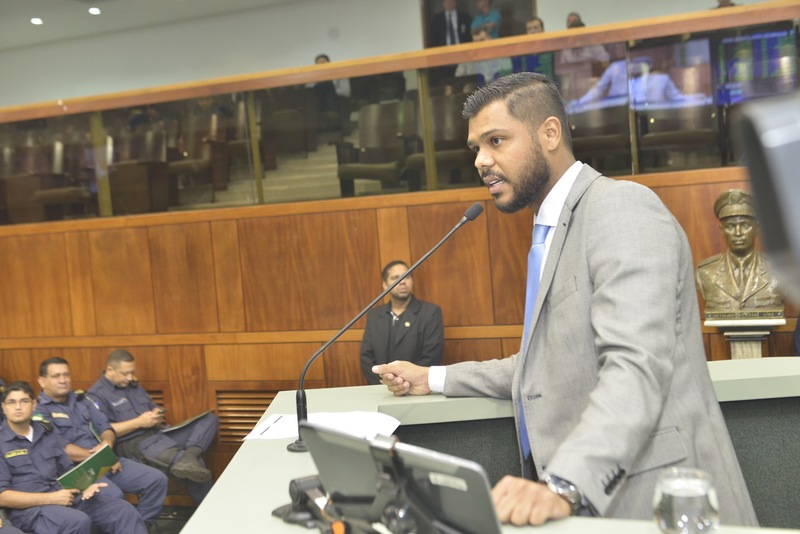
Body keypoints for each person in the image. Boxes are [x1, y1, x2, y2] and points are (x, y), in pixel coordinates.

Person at [372, 72, 757, 527]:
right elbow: (546, 363)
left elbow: (636, 366)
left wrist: (564, 484)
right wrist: (431, 377)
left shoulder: (620, 207)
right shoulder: (549, 233)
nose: (481, 160)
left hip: (658, 503)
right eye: (476, 147)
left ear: (550, 134)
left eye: (496, 141)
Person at [35, 357, 168, 527]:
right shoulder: (39, 412)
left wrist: (107, 445)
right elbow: (60, 448)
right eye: (56, 376)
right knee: (115, 497)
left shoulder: (82, 399)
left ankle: (140, 527)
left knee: (156, 480)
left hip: (106, 459)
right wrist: (103, 458)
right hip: (77, 471)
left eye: (66, 375)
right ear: (42, 381)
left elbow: (105, 427)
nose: (63, 380)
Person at [0, 381, 148, 534]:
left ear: (34, 405)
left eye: (24, 401)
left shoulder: (47, 432)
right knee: (76, 521)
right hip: (30, 510)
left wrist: (85, 485)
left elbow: (67, 470)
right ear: (3, 408)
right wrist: (51, 498)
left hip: (65, 495)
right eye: (12, 402)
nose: (18, 407)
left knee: (123, 510)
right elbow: (2, 497)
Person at [88, 349, 219, 504]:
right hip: (135, 444)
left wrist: (157, 413)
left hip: (159, 433)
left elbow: (153, 407)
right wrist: (139, 422)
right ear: (110, 370)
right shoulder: (96, 395)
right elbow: (102, 431)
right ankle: (210, 512)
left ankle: (190, 455)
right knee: (195, 467)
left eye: (132, 372)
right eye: (125, 373)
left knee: (209, 420)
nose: (129, 378)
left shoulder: (132, 385)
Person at [695, 189, 784, 314]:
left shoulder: (779, 270)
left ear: (757, 229)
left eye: (745, 225)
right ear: (722, 230)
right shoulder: (705, 272)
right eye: (730, 226)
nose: (738, 233)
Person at [360, 261, 444, 385]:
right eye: (395, 278)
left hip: (416, 388)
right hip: (381, 388)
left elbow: (432, 355)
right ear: (385, 285)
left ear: (412, 282)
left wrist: (403, 384)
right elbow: (366, 357)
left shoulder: (430, 312)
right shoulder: (374, 315)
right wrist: (386, 382)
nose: (402, 281)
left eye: (407, 276)